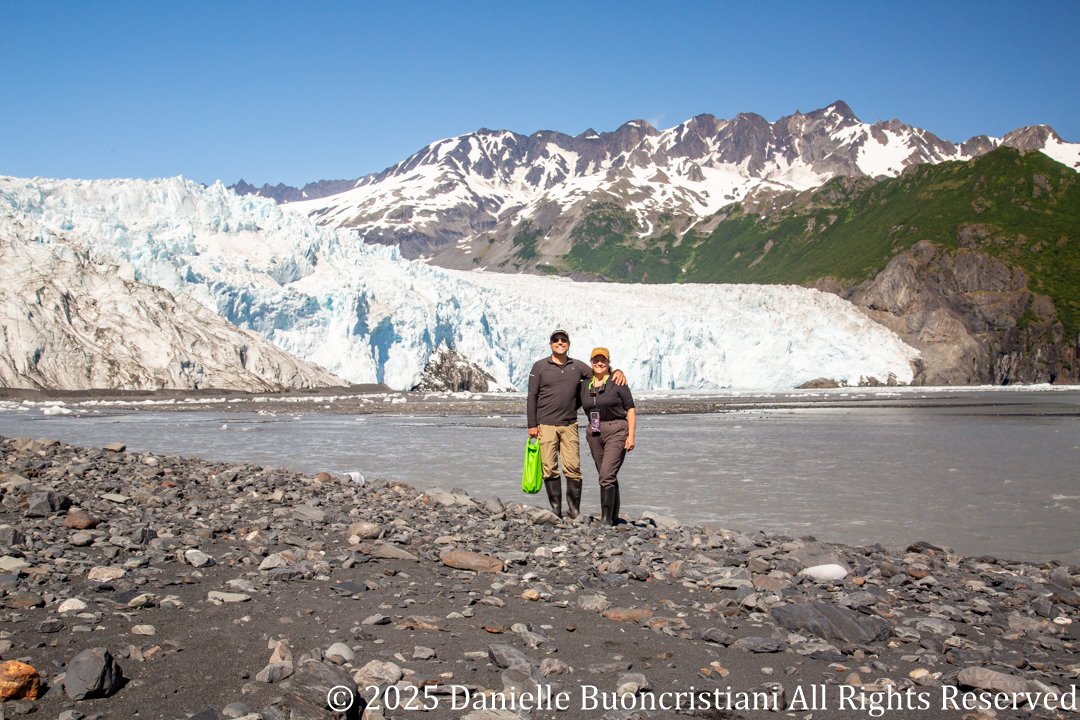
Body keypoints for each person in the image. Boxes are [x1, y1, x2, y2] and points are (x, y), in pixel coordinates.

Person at [527, 329, 624, 519]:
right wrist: (532, 424)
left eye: (563, 340)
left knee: (573, 467)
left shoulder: (577, 367)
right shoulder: (539, 367)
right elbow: (532, 396)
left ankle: (574, 511)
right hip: (545, 424)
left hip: (570, 424)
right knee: (549, 467)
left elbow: (598, 373)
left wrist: (616, 371)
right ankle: (556, 510)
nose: (560, 343)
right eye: (556, 340)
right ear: (550, 344)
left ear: (568, 344)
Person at [580, 347, 636, 526]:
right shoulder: (584, 384)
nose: (599, 363)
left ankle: (605, 520)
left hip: (617, 429)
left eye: (603, 360)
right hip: (595, 430)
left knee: (606, 475)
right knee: (607, 475)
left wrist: (631, 436)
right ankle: (613, 517)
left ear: (608, 363)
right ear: (591, 362)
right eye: (596, 360)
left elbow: (631, 409)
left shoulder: (617, 381)